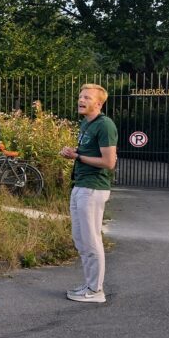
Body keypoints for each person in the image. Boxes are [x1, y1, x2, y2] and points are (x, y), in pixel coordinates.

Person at [60, 84, 117, 303]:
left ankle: (96, 290)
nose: (81, 100)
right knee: (80, 238)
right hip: (80, 185)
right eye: (80, 96)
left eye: (87, 97)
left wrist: (78, 158)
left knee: (92, 239)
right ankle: (89, 283)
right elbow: (86, 153)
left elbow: (109, 162)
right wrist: (74, 153)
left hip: (93, 188)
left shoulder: (105, 125)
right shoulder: (86, 123)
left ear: (99, 104)